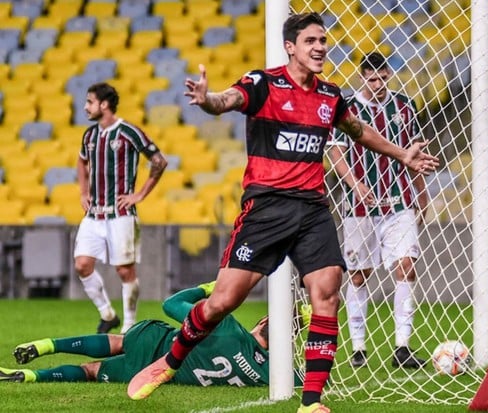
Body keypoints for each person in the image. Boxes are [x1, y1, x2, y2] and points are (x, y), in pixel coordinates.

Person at [126, 13, 438, 413]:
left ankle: (311, 402)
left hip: (312, 208)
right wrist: (207, 100)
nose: (320, 47)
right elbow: (227, 100)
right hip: (267, 208)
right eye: (310, 41)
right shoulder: (264, 84)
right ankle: (169, 363)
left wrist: (402, 155)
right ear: (290, 46)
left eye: (323, 40)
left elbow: (358, 130)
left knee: (327, 293)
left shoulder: (330, 96)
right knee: (223, 301)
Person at [326, 52, 429, 369]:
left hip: (399, 202)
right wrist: (356, 185)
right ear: (361, 78)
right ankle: (358, 347)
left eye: (383, 77)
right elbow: (335, 153)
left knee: (406, 266)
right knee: (359, 276)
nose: (378, 84)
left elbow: (412, 153)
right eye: (371, 79)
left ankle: (402, 346)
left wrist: (422, 193)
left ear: (388, 74)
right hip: (360, 207)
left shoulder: (404, 106)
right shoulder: (346, 109)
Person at [0, 283, 298, 387]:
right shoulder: (270, 375)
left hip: (159, 342)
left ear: (262, 321)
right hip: (153, 373)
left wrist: (210, 288)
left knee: (117, 341)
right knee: (89, 373)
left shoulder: (227, 326)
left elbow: (171, 304)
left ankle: (45, 344)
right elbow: (303, 379)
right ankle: (30, 377)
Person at [74, 82, 167, 334]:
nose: (85, 107)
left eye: (89, 102)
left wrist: (140, 194)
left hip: (121, 214)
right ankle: (107, 314)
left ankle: (128, 326)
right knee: (82, 264)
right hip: (93, 214)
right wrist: (83, 192)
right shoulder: (89, 135)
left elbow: (159, 161)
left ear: (104, 105)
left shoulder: (128, 132)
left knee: (124, 270)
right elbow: (81, 163)